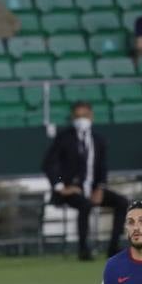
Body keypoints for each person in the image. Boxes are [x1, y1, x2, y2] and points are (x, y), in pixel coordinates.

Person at [42, 101, 129, 261]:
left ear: (91, 116)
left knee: (123, 202)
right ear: (72, 117)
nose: (81, 119)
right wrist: (61, 186)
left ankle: (113, 247)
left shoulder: (99, 140)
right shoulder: (63, 138)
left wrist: (100, 188)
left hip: (94, 188)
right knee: (85, 205)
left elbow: (102, 166)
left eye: (85, 115)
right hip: (71, 191)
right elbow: (51, 165)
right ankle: (83, 250)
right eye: (78, 116)